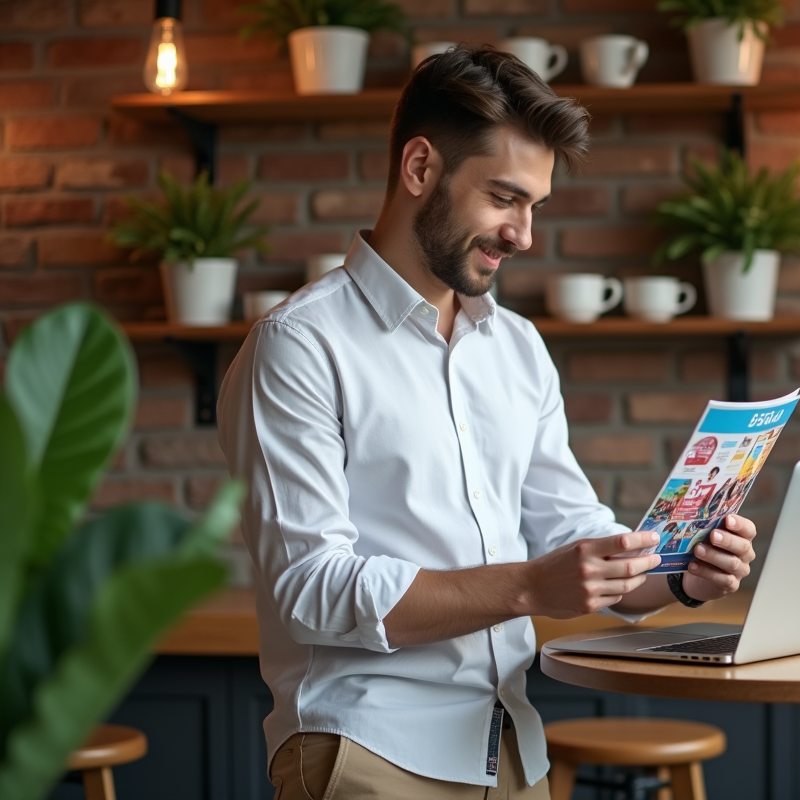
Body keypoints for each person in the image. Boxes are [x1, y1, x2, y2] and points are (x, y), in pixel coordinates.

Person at [216, 46, 759, 800]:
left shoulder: (517, 348)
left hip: (511, 753)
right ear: (419, 168)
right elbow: (310, 588)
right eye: (504, 197)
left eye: (535, 205)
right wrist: (529, 587)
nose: (524, 234)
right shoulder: (300, 345)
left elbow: (574, 538)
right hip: (370, 755)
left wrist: (679, 580)